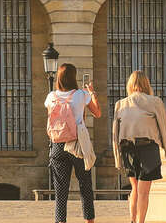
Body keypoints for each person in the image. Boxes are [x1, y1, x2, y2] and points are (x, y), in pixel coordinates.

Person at [112, 71, 166, 223]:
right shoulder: (155, 101)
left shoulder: (120, 103)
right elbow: (164, 127)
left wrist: (117, 157)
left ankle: (132, 220)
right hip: (147, 148)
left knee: (135, 189)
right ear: (147, 84)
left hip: (127, 149)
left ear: (130, 85)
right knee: (144, 192)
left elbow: (115, 134)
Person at [45, 63, 100, 223]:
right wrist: (92, 93)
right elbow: (97, 113)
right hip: (77, 145)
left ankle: (60, 221)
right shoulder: (81, 94)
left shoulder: (51, 96)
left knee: (60, 189)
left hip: (58, 146)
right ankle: (89, 221)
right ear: (73, 77)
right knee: (85, 185)